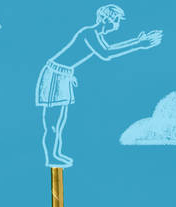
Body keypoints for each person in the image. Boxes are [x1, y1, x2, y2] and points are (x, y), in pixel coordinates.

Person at [36, 4, 162, 167]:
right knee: (53, 122)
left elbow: (108, 48)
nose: (117, 25)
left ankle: (55, 154)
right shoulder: (89, 32)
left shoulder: (95, 34)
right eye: (115, 20)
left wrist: (137, 41)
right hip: (55, 75)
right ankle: (52, 157)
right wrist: (139, 44)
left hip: (64, 75)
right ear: (106, 19)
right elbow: (106, 53)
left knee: (59, 122)